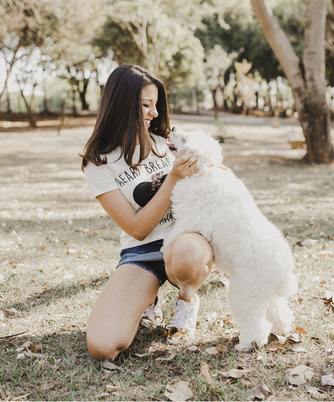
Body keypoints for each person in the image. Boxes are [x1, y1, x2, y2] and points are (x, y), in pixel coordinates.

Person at [80, 64, 213, 360]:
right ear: (122, 105)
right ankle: (147, 299)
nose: (154, 113)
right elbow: (137, 228)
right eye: (145, 105)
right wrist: (174, 178)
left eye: (156, 105)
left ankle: (187, 300)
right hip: (142, 250)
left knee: (186, 257)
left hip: (185, 238)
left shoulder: (170, 143)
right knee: (102, 347)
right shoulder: (99, 162)